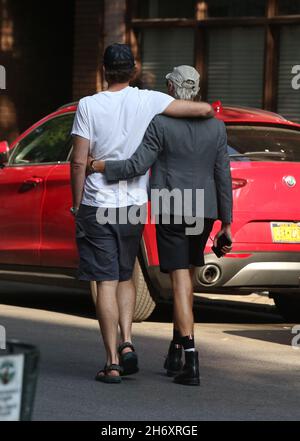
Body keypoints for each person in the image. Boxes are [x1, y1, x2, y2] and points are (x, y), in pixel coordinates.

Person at [70, 45, 214, 384]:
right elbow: (203, 109)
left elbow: (79, 161)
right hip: (134, 204)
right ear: (133, 71)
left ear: (104, 70)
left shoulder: (88, 105)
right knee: (125, 275)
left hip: (97, 203)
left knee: (104, 281)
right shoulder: (149, 100)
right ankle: (129, 341)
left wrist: (77, 205)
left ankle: (111, 361)